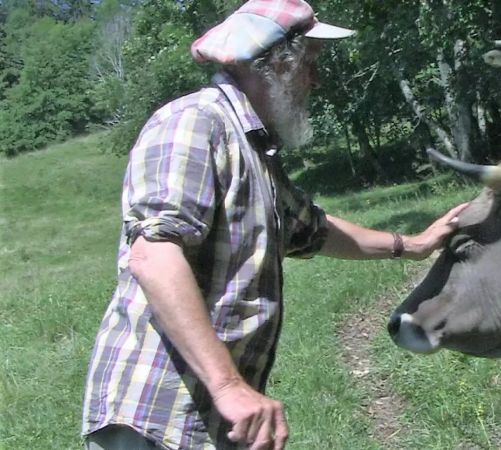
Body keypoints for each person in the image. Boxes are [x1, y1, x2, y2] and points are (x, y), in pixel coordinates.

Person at [81, 1, 467, 449]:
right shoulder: (194, 123)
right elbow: (153, 254)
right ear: (279, 64)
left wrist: (414, 244)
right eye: (311, 64)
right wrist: (229, 387)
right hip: (155, 415)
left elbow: (316, 230)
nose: (316, 79)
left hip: (214, 418)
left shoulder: (253, 150)